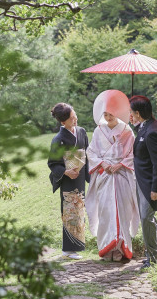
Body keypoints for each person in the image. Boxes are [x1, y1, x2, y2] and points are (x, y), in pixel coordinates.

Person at [85, 90, 139, 261]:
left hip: (121, 174)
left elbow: (132, 153)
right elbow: (91, 152)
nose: (108, 117)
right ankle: (107, 247)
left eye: (111, 114)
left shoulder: (127, 131)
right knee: (105, 211)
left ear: (118, 113)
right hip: (105, 174)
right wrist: (103, 164)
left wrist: (119, 164)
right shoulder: (98, 131)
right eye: (106, 114)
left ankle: (121, 247)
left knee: (123, 211)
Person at [48, 103, 90, 260]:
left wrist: (89, 174)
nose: (76, 119)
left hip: (79, 176)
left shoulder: (81, 132)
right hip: (67, 179)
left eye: (75, 115)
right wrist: (66, 172)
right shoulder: (58, 139)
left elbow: (87, 152)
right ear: (62, 122)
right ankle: (68, 249)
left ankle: (76, 247)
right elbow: (53, 163)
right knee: (69, 211)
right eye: (72, 118)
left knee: (79, 210)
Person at [129, 95, 157, 269]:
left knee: (146, 218)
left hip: (149, 183)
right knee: (148, 218)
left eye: (132, 112)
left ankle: (152, 257)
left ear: (138, 112)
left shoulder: (152, 132)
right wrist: (135, 124)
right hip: (141, 179)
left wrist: (156, 189)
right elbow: (141, 142)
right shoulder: (145, 126)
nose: (130, 114)